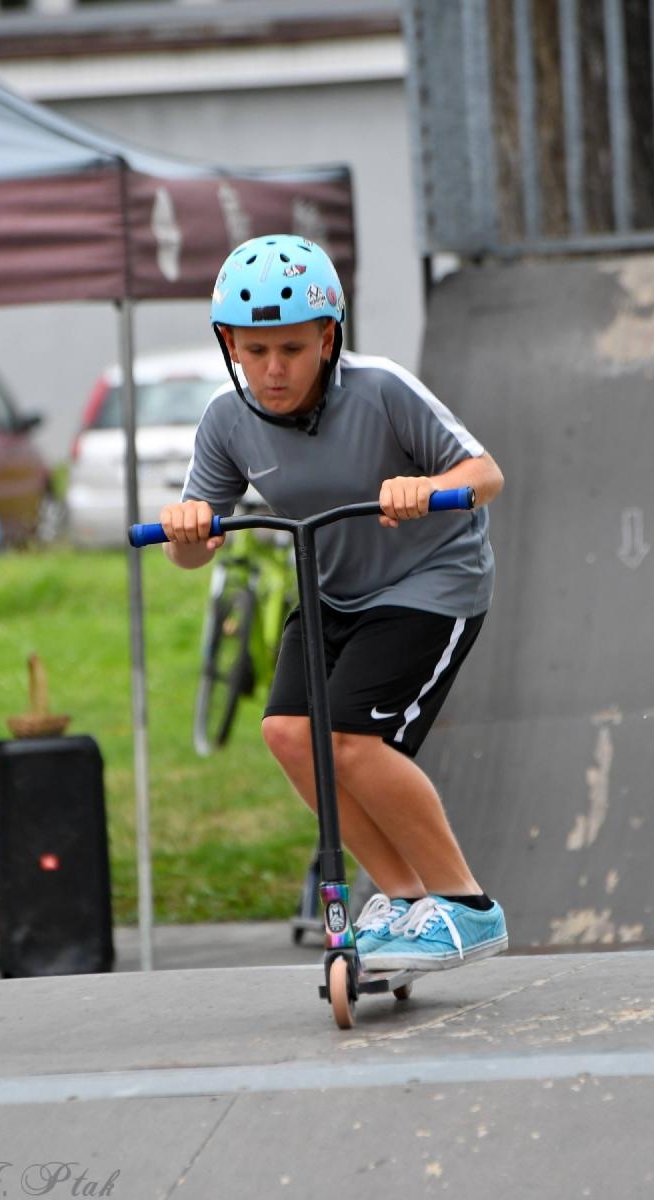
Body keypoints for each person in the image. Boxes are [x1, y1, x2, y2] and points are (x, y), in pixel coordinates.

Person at [159, 233, 508, 972]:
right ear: (228, 344)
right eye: (254, 352)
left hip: (430, 580)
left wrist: (424, 489)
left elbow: (487, 474)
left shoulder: (380, 389)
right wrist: (186, 531)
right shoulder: (227, 420)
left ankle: (469, 907)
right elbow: (190, 551)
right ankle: (408, 902)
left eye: (290, 349)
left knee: (349, 739)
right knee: (289, 733)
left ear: (328, 337)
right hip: (333, 586)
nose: (272, 370)